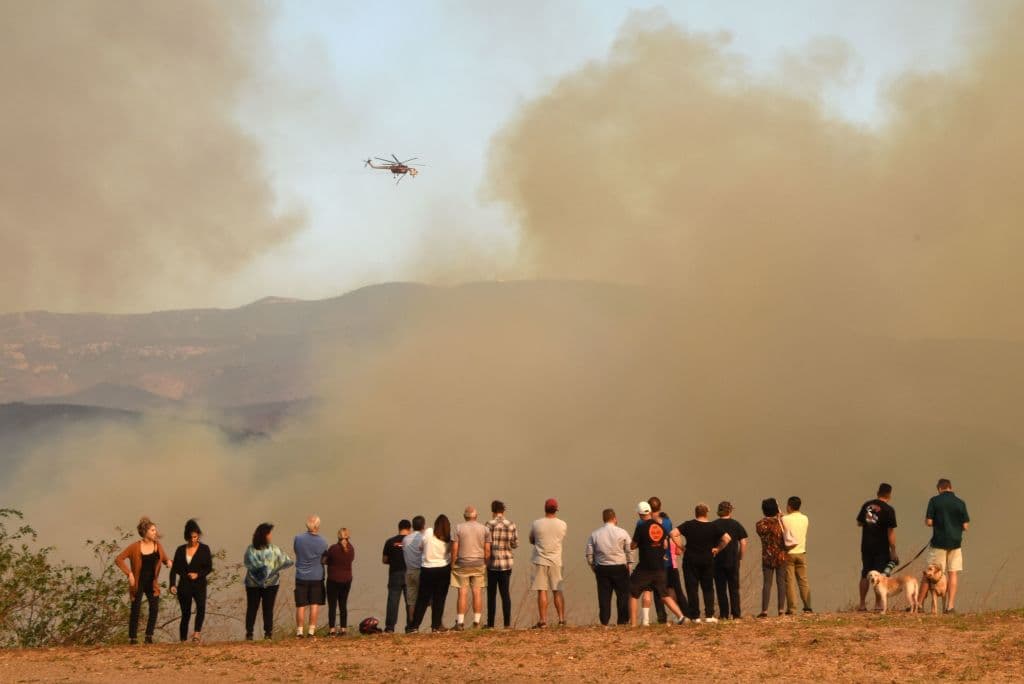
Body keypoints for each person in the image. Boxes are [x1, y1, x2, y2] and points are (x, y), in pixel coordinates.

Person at [115, 516, 171, 644]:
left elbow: (165, 559)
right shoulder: (135, 547)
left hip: (152, 583)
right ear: (145, 532)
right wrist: (129, 574)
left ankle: (148, 637)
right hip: (138, 583)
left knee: (154, 608)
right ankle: (133, 639)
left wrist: (168, 562)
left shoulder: (158, 546)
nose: (155, 532)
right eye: (152, 530)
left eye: (155, 530)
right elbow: (119, 559)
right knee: (136, 609)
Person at [671, 503, 730, 623]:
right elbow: (727, 538)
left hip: (690, 560)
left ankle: (695, 616)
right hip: (707, 560)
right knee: (708, 588)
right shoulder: (713, 526)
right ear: (706, 513)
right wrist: (718, 549)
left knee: (692, 588)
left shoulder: (688, 525)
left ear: (696, 513)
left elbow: (673, 533)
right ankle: (709, 615)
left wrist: (681, 546)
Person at [917, 478, 969, 613]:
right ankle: (950, 607)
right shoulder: (960, 503)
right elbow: (966, 526)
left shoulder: (934, 501)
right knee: (953, 574)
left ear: (939, 488)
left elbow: (929, 522)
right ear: (950, 487)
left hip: (939, 543)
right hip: (956, 544)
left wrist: (939, 524)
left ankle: (919, 604)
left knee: (929, 573)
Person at [630, 502, 686, 626]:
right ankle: (681, 616)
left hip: (645, 567)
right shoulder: (660, 527)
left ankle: (633, 624)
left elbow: (633, 545)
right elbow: (665, 544)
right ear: (649, 512)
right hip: (660, 566)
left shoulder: (641, 527)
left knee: (632, 592)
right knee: (664, 594)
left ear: (639, 514)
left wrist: (639, 543)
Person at [243, 522, 294, 640]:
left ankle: (260, 633)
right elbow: (286, 561)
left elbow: (287, 561)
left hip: (259, 584)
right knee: (258, 608)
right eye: (270, 533)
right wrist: (270, 569)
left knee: (260, 608)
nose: (271, 536)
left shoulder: (255, 549)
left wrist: (266, 570)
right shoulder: (260, 549)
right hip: (262, 584)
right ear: (264, 535)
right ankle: (259, 634)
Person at [585, 508, 632, 626]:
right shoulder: (622, 532)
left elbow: (589, 553)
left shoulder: (595, 534)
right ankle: (622, 621)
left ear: (603, 519)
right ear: (615, 518)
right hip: (620, 567)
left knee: (604, 596)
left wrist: (593, 566)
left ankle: (604, 622)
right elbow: (629, 550)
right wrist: (630, 564)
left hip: (602, 568)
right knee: (622, 595)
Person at [168, 518, 213, 643]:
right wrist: (172, 584)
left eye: (195, 537)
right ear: (186, 537)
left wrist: (198, 574)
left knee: (201, 607)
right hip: (184, 586)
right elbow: (174, 569)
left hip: (199, 585)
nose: (193, 540)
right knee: (186, 613)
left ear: (198, 535)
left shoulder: (205, 549)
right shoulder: (180, 550)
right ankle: (182, 639)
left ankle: (196, 633)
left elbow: (209, 567)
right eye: (190, 537)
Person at [856, 483, 898, 611]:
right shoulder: (889, 510)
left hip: (866, 545)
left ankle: (862, 604)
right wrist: (893, 550)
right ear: (889, 495)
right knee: (880, 576)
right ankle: (878, 605)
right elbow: (890, 532)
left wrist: (870, 521)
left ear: (877, 492)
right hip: (881, 547)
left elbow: (859, 522)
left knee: (865, 573)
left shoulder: (867, 505)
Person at [409, 514, 453, 633]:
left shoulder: (428, 532)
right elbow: (450, 553)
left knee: (422, 599)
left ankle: (414, 626)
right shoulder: (448, 538)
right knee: (439, 599)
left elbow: (420, 547)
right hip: (443, 569)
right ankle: (436, 626)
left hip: (427, 569)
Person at [451, 506, 492, 630]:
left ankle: (460, 622)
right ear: (476, 516)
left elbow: (454, 548)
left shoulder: (458, 528)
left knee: (462, 593)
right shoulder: (484, 529)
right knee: (477, 592)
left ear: (465, 516)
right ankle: (476, 621)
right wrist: (486, 563)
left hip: (462, 564)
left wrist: (452, 563)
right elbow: (487, 550)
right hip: (479, 564)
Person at [529, 498, 568, 628]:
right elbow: (561, 538)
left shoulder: (536, 523)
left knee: (542, 591)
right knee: (557, 590)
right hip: (556, 560)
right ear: (556, 509)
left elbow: (531, 539)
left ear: (545, 509)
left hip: (540, 560)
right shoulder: (562, 524)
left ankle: (543, 621)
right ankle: (562, 619)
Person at [293, 515, 329, 638]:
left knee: (301, 605)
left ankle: (299, 632)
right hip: (317, 576)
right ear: (318, 526)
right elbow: (324, 558)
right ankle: (311, 632)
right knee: (314, 604)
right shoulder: (323, 541)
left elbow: (296, 552)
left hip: (301, 576)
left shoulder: (298, 538)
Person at [484, 500, 518, 629]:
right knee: (505, 594)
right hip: (506, 564)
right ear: (503, 511)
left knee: (491, 595)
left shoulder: (488, 525)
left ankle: (491, 624)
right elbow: (515, 544)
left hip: (492, 563)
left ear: (492, 511)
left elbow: (485, 544)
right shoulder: (511, 524)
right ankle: (507, 624)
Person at [713, 501, 748, 619]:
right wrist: (740, 557)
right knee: (734, 588)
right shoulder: (736, 524)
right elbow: (743, 542)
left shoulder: (714, 525)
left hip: (717, 561)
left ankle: (724, 614)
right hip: (733, 561)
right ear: (730, 511)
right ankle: (736, 614)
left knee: (721, 589)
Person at [754, 498, 788, 617]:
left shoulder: (760, 524)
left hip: (767, 556)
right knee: (781, 583)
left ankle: (764, 610)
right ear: (776, 509)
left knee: (767, 584)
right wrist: (780, 515)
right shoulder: (781, 522)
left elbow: (763, 532)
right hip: (781, 555)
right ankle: (781, 610)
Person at [781, 496, 812, 614]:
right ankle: (808, 606)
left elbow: (784, 526)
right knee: (803, 581)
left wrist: (781, 516)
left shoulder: (784, 519)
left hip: (789, 553)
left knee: (790, 582)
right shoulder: (805, 518)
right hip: (801, 552)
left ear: (789, 505)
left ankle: (792, 609)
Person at [324, 527, 354, 636]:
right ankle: (343, 629)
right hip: (347, 580)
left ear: (338, 536)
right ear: (348, 537)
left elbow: (324, 561)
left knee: (332, 606)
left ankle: (332, 630)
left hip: (333, 580)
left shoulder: (333, 548)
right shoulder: (351, 549)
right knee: (343, 604)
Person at [382, 520, 410, 633]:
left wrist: (393, 561)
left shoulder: (390, 541)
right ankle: (411, 627)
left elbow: (384, 560)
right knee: (410, 601)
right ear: (409, 529)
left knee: (393, 601)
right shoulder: (412, 541)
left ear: (399, 528)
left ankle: (390, 627)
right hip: (409, 574)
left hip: (394, 574)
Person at [402, 515, 426, 631]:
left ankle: (412, 625)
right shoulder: (423, 538)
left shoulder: (405, 539)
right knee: (425, 599)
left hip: (409, 571)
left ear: (412, 526)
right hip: (420, 571)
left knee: (411, 600)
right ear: (423, 525)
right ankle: (434, 623)